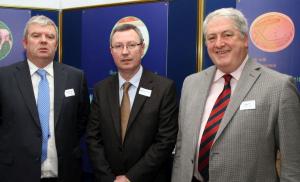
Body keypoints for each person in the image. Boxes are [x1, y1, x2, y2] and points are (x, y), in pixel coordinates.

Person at [172, 8, 300, 182]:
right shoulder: (191, 83)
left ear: (245, 39)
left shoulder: (279, 87)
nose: (219, 43)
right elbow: (182, 147)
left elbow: (294, 163)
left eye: (227, 35)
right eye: (211, 38)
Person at [0, 15, 90, 182]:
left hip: (65, 173)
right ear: (25, 43)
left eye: (50, 37)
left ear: (56, 45)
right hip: (16, 173)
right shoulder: (3, 78)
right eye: (36, 36)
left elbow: (81, 121)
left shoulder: (75, 77)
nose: (43, 41)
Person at [86, 23, 178, 182]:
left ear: (142, 48)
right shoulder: (101, 89)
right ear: (111, 51)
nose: (125, 52)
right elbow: (93, 138)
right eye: (118, 46)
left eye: (131, 45)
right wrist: (109, 178)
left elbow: (165, 140)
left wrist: (131, 178)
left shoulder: (164, 88)